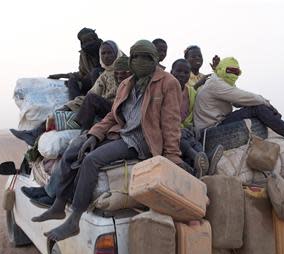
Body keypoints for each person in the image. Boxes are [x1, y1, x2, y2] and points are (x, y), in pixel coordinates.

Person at [31, 40, 183, 242]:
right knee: (79, 148)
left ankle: (74, 219)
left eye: (146, 58)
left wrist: (172, 156)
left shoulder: (167, 83)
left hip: (142, 140)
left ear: (155, 59)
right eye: (136, 57)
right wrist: (95, 134)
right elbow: (112, 116)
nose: (140, 62)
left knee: (92, 160)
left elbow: (171, 122)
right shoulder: (127, 84)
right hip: (122, 132)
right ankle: (59, 205)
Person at [21, 56, 133, 207]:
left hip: (123, 134)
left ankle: (57, 196)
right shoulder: (115, 82)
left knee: (80, 155)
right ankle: (51, 193)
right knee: (73, 152)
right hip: (107, 127)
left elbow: (121, 116)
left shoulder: (135, 87)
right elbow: (110, 113)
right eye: (117, 73)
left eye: (124, 72)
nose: (120, 75)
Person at [193, 57, 284, 146]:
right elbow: (244, 97)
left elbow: (238, 102)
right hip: (209, 132)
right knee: (258, 107)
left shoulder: (220, 83)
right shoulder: (215, 84)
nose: (234, 74)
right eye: (230, 71)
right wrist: (267, 103)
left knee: (258, 108)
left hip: (218, 124)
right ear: (221, 69)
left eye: (237, 72)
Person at [10, 40, 122, 146]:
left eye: (109, 53)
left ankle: (84, 133)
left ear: (116, 53)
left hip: (117, 110)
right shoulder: (104, 75)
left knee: (90, 101)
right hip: (103, 110)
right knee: (62, 114)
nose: (106, 56)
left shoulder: (122, 71)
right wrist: (67, 107)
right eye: (103, 53)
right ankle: (35, 133)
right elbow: (90, 94)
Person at [170, 59, 223, 177]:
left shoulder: (191, 93)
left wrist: (190, 127)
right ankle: (199, 158)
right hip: (169, 130)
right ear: (171, 72)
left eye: (186, 72)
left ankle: (204, 159)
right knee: (181, 140)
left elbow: (188, 117)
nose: (182, 75)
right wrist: (179, 128)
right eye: (179, 71)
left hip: (183, 129)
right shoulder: (166, 89)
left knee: (194, 139)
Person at [48, 27, 103, 100]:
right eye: (85, 41)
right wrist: (62, 75)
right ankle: (75, 104)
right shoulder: (83, 54)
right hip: (92, 83)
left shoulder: (107, 48)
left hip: (107, 81)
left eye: (90, 39)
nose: (89, 43)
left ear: (95, 38)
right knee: (72, 81)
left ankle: (96, 102)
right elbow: (82, 73)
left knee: (95, 72)